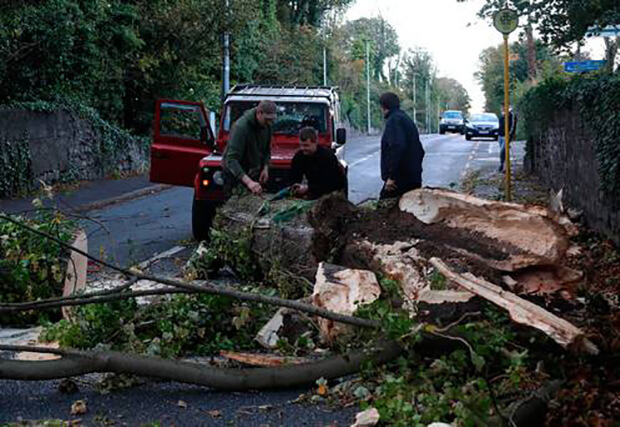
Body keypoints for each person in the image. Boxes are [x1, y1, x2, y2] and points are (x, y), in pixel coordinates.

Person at [222, 100, 277, 195]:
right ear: (259, 113)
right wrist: (249, 182)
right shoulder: (241, 128)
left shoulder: (267, 125)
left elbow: (267, 150)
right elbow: (231, 160)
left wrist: (265, 167)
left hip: (253, 172)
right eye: (267, 119)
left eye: (272, 119)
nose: (270, 122)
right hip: (235, 175)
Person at [379, 92, 425, 199]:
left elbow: (397, 148)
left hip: (400, 181)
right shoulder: (405, 118)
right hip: (412, 177)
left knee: (384, 208)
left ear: (383, 106)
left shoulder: (394, 120)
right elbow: (420, 150)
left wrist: (392, 177)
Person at [288, 126, 346, 199]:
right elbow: (294, 176)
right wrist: (296, 186)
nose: (303, 148)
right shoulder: (299, 157)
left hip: (332, 192)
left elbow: (331, 182)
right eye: (301, 145)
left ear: (315, 142)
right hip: (314, 191)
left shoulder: (327, 157)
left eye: (306, 145)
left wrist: (308, 188)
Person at [498, 106, 516, 173]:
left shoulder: (511, 115)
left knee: (503, 151)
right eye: (502, 107)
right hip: (500, 136)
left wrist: (510, 134)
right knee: (504, 152)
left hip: (506, 136)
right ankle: (504, 166)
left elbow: (513, 125)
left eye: (504, 107)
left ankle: (503, 166)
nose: (502, 108)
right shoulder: (502, 115)